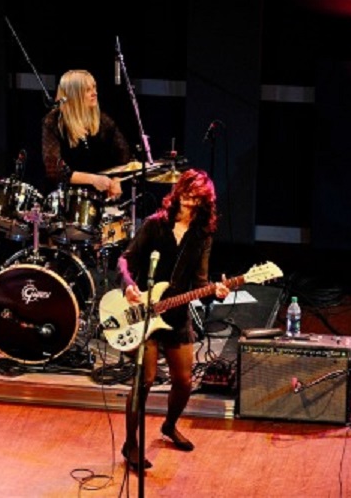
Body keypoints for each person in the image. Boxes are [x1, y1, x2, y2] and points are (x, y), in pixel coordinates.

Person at [116, 168, 229, 471]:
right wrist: (128, 286)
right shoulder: (155, 225)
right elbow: (125, 259)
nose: (190, 202)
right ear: (178, 193)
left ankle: (169, 425)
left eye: (197, 199)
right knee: (145, 379)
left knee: (184, 382)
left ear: (205, 202)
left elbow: (200, 282)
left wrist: (216, 292)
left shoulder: (203, 235)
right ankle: (130, 443)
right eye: (187, 195)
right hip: (146, 314)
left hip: (176, 315)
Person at [41, 69, 130, 212]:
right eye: (88, 90)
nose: (95, 93)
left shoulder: (103, 121)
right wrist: (93, 179)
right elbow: (55, 171)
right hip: (64, 201)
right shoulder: (54, 122)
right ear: (74, 95)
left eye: (94, 88)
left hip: (97, 201)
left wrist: (116, 180)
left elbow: (123, 154)